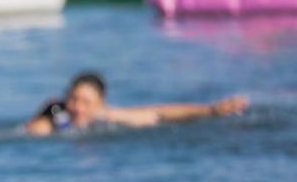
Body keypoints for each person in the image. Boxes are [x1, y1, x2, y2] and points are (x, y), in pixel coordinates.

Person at [25, 72, 250, 135]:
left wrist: (210, 110)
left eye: (86, 102)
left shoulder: (111, 118)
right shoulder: (55, 115)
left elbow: (160, 114)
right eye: (73, 100)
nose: (78, 107)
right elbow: (31, 132)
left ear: (101, 103)